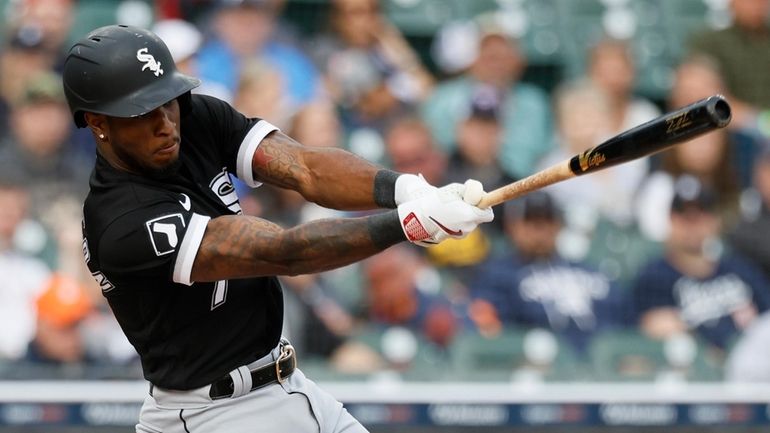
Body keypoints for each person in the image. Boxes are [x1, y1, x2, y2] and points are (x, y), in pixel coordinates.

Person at [61, 25, 492, 433]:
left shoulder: (193, 122)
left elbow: (306, 167)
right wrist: (408, 224)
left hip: (288, 383)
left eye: (168, 100)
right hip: (214, 413)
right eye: (143, 112)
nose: (166, 123)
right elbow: (284, 251)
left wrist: (405, 189)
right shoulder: (121, 221)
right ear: (99, 123)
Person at [469, 192, 628, 354]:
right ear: (511, 226)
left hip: (600, 372)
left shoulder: (591, 273)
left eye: (547, 221)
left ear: (559, 226)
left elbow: (624, 326)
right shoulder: (496, 275)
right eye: (531, 221)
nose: (540, 230)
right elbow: (489, 332)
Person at [632, 175, 770, 352]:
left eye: (700, 215)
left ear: (715, 221)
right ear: (670, 220)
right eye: (684, 216)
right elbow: (640, 332)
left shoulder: (740, 269)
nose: (692, 225)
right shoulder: (653, 277)